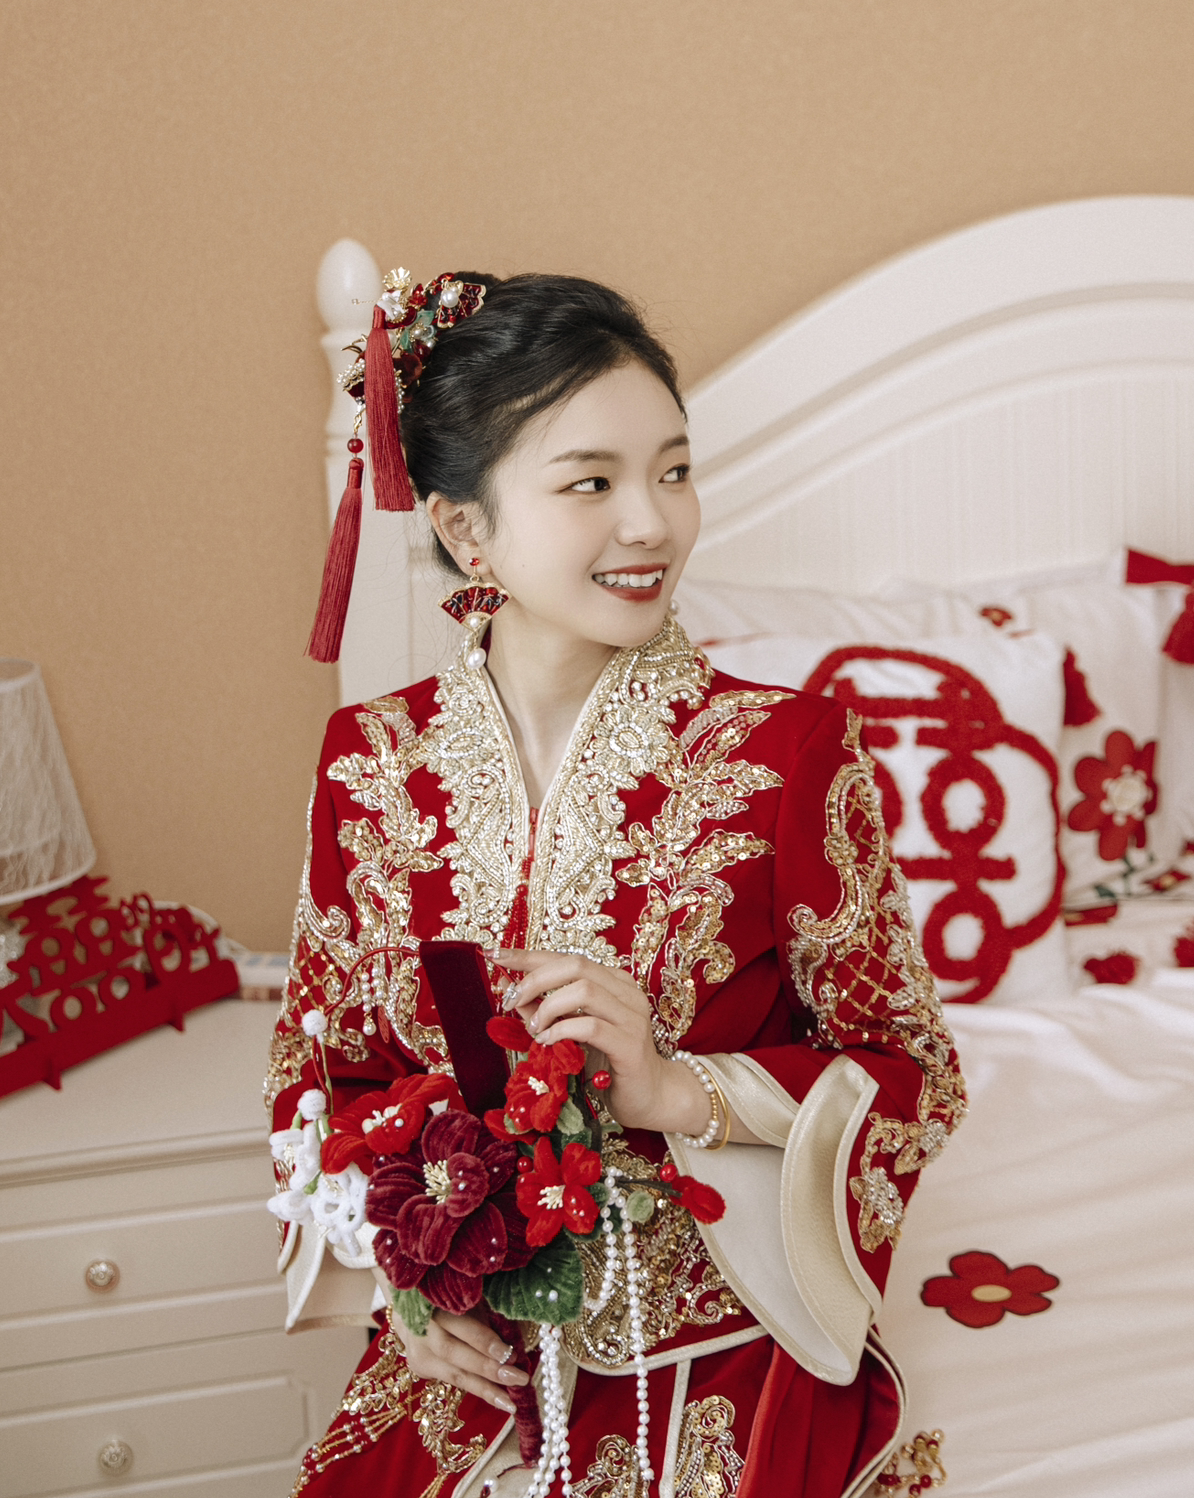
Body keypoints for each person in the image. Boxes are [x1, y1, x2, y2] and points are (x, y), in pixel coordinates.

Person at [268, 270, 966, 1498]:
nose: (652, 523)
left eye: (674, 471)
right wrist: (403, 1283)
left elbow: (914, 1076)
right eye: (591, 483)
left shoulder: (786, 752)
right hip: (469, 1359)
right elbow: (323, 1073)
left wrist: (672, 1089)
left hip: (719, 1348)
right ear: (467, 530)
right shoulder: (369, 763)